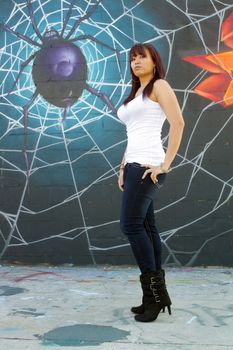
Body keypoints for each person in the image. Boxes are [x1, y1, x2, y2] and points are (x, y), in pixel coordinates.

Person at [117, 43, 185, 322]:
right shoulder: (135, 94)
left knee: (130, 225)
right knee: (147, 226)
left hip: (148, 167)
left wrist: (165, 165)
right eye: (132, 58)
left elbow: (178, 123)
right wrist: (121, 167)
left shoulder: (160, 86)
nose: (136, 62)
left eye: (141, 57)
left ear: (154, 61)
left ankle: (154, 297)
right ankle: (154, 297)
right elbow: (133, 134)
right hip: (133, 165)